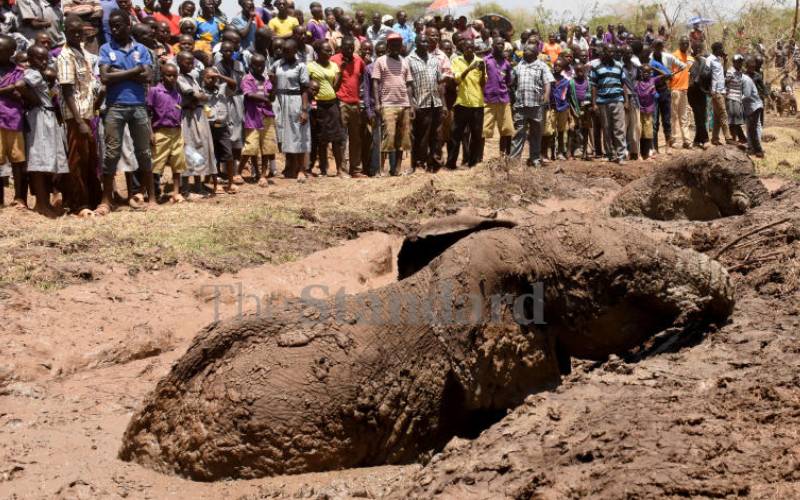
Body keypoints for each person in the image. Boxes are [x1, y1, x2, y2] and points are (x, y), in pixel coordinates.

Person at [98, 9, 155, 215]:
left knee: (144, 152)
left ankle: (152, 198)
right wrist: (134, 71)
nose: (114, 29)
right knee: (112, 153)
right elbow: (104, 77)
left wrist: (117, 73)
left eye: (118, 25)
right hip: (115, 106)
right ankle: (106, 200)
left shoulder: (142, 48)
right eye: (111, 26)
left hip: (138, 105)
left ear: (128, 25)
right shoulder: (105, 48)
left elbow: (147, 76)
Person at [57, 14, 102, 216]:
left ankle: (92, 201)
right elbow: (67, 90)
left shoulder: (81, 51)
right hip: (76, 117)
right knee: (76, 160)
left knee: (89, 160)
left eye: (80, 31)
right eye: (72, 31)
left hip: (88, 113)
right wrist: (78, 121)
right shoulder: (65, 56)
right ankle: (78, 204)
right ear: (65, 31)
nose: (77, 34)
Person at [23, 44, 67, 217]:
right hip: (39, 119)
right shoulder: (31, 74)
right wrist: (34, 100)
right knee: (39, 162)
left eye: (45, 58)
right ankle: (41, 203)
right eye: (38, 58)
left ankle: (45, 202)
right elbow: (20, 85)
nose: (43, 62)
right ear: (30, 59)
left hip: (48, 118)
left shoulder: (43, 75)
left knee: (47, 162)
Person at [176, 50, 218, 195]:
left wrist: (201, 97)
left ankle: (199, 184)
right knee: (189, 149)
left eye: (192, 63)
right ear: (179, 62)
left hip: (199, 115)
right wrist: (200, 97)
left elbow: (203, 96)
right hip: (188, 117)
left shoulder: (192, 77)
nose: (191, 65)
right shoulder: (179, 78)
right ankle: (186, 186)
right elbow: (194, 95)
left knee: (202, 148)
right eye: (187, 63)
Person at [372, 32, 412, 175]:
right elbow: (375, 83)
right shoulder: (380, 61)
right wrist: (377, 103)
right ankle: (381, 169)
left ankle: (397, 169)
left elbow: (408, 84)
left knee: (403, 138)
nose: (396, 47)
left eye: (398, 44)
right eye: (393, 44)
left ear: (401, 46)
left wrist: (411, 105)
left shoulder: (405, 61)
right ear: (388, 46)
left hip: (404, 104)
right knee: (388, 136)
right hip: (388, 104)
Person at [269, 38, 309, 180]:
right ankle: (289, 168)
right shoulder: (277, 64)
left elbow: (305, 89)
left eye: (287, 51)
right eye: (283, 50)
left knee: (297, 134)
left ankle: (301, 170)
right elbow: (270, 77)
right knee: (284, 136)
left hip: (295, 100)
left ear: (295, 51)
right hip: (279, 101)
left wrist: (304, 110)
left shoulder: (301, 66)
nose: (284, 53)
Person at [147, 62, 186, 203]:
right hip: (160, 131)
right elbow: (148, 113)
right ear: (163, 76)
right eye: (169, 75)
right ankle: (152, 194)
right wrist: (150, 132)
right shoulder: (154, 91)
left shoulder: (177, 94)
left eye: (175, 75)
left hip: (176, 131)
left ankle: (176, 192)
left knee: (177, 162)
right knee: (156, 163)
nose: (172, 78)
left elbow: (179, 113)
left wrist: (181, 132)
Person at [510, 41, 552, 166]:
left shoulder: (542, 66)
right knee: (519, 133)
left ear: (535, 53)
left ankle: (534, 158)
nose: (525, 51)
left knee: (536, 133)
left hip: (536, 105)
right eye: (524, 49)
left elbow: (548, 82)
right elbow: (511, 81)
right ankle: (514, 160)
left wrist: (546, 96)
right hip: (521, 105)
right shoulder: (518, 65)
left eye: (528, 50)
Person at [308, 39, 346, 176]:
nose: (329, 52)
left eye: (330, 50)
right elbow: (307, 86)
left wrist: (341, 72)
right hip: (317, 105)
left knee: (337, 138)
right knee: (321, 139)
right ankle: (323, 169)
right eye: (326, 50)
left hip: (332, 103)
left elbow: (335, 87)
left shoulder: (334, 66)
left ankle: (339, 169)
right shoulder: (310, 67)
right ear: (317, 52)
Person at [330, 36, 366, 177]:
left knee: (355, 138)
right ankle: (341, 169)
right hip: (341, 102)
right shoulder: (334, 60)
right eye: (346, 48)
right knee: (341, 138)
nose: (349, 50)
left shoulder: (358, 60)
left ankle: (356, 169)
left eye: (351, 48)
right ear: (341, 47)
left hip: (355, 103)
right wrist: (341, 68)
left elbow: (362, 76)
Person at [406, 33, 442, 172]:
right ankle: (419, 163)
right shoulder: (409, 60)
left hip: (436, 102)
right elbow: (408, 84)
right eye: (422, 42)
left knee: (436, 136)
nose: (425, 44)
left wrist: (443, 103)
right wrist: (411, 104)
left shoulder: (434, 59)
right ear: (416, 43)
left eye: (427, 42)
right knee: (421, 136)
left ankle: (434, 163)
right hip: (420, 103)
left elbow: (439, 82)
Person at [240, 52, 278, 185]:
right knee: (251, 146)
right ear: (251, 65)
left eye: (262, 66)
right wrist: (264, 99)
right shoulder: (247, 79)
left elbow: (272, 98)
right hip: (253, 116)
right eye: (256, 66)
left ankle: (262, 175)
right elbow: (249, 95)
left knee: (267, 147)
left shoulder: (267, 80)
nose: (260, 68)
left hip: (267, 115)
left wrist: (275, 85)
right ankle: (239, 172)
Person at [447, 38, 484, 168]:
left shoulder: (480, 61)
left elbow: (483, 84)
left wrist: (483, 71)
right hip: (462, 103)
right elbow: (457, 80)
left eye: (472, 47)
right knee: (455, 135)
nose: (469, 49)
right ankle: (451, 163)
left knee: (476, 135)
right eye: (467, 47)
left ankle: (472, 163)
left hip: (477, 104)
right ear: (462, 48)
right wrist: (469, 69)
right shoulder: (456, 61)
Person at [591, 43, 627, 164]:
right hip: (603, 102)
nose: (611, 54)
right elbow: (594, 86)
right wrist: (594, 103)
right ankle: (610, 154)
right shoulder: (596, 67)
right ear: (604, 52)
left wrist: (625, 100)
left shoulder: (619, 65)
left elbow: (623, 84)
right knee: (606, 128)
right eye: (609, 52)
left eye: (613, 52)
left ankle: (621, 155)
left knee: (619, 129)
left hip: (617, 100)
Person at [203, 66, 238, 193]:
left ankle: (230, 182)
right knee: (213, 156)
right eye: (208, 77)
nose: (211, 80)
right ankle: (215, 184)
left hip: (222, 127)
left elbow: (234, 84)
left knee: (228, 155)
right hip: (208, 127)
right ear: (203, 78)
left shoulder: (222, 89)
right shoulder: (201, 91)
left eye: (214, 78)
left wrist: (219, 76)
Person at [650, 38, 684, 155]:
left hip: (664, 89)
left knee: (666, 119)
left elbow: (683, 66)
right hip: (653, 90)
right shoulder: (650, 59)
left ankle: (668, 146)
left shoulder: (667, 56)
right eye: (657, 46)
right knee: (654, 121)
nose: (659, 48)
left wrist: (671, 74)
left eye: (660, 46)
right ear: (653, 47)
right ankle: (654, 148)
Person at [483, 36, 513, 157]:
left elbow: (509, 81)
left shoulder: (506, 63)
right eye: (498, 44)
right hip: (488, 99)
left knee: (507, 130)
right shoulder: (485, 60)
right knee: (483, 130)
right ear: (493, 45)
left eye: (502, 44)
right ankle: (479, 158)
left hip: (503, 99)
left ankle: (505, 156)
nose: (500, 46)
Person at [550, 57, 577, 160]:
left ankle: (560, 152)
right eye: (555, 65)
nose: (557, 67)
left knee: (561, 131)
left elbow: (569, 96)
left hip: (563, 108)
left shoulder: (566, 82)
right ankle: (552, 153)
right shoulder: (550, 80)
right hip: (552, 108)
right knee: (551, 131)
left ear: (563, 68)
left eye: (559, 66)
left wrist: (570, 112)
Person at [670, 36, 694, 149]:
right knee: (674, 117)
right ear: (679, 44)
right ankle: (673, 140)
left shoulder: (688, 58)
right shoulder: (674, 56)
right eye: (683, 43)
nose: (685, 45)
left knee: (684, 117)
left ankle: (687, 141)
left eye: (687, 43)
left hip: (684, 90)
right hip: (675, 89)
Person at [707, 41, 732, 146]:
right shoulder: (710, 60)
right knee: (723, 114)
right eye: (721, 49)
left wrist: (725, 61)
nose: (723, 50)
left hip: (722, 90)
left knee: (717, 116)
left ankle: (715, 138)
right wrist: (710, 89)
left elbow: (724, 74)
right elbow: (706, 75)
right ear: (717, 50)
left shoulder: (718, 60)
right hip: (716, 91)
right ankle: (728, 137)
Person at [742, 56, 764, 158]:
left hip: (755, 104)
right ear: (746, 67)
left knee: (754, 127)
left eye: (753, 67)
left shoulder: (756, 76)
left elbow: (763, 88)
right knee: (750, 127)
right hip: (749, 104)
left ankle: (757, 149)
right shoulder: (744, 76)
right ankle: (752, 146)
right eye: (750, 67)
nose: (752, 68)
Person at [726, 53, 747, 144]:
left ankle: (740, 138)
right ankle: (734, 138)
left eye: (741, 62)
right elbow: (725, 82)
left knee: (737, 119)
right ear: (734, 63)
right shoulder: (731, 72)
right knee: (733, 119)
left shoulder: (741, 72)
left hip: (738, 98)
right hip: (731, 97)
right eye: (738, 62)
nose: (740, 64)